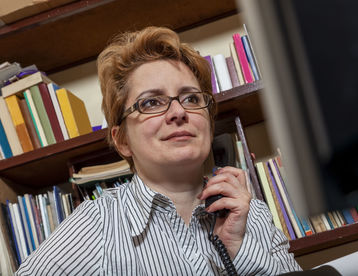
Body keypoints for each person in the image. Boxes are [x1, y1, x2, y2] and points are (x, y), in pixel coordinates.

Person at [16, 26, 301, 275]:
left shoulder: (252, 213)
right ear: (122, 140)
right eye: (151, 103)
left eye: (191, 98)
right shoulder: (97, 224)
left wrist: (239, 249)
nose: (178, 111)